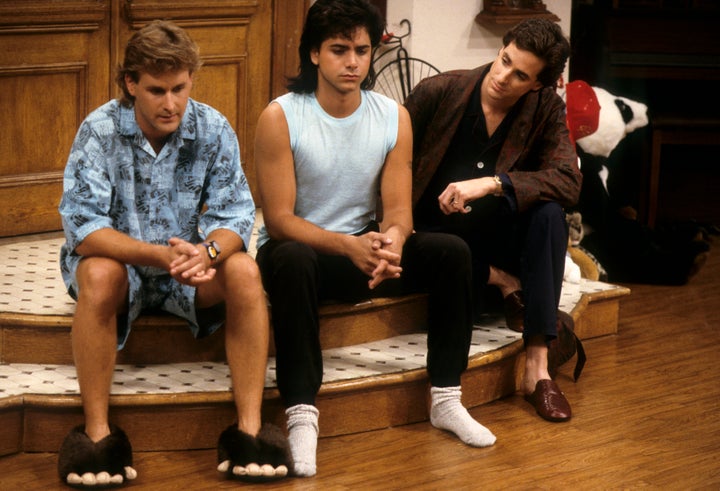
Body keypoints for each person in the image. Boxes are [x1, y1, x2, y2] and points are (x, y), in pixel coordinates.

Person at [254, 0, 496, 478]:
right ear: (314, 54)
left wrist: (393, 244)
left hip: (364, 253)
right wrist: (348, 245)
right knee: (293, 258)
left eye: (362, 50)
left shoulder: (392, 116)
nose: (353, 62)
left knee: (452, 253)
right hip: (303, 254)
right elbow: (279, 220)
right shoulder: (281, 117)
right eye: (339, 50)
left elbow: (400, 211)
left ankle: (446, 397)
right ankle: (302, 414)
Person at [57, 20, 289, 486]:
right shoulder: (99, 130)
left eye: (180, 89)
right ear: (130, 84)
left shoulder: (213, 126)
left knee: (244, 270)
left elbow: (238, 216)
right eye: (157, 90)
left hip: (194, 269)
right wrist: (157, 256)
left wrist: (207, 252)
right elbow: (83, 227)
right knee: (99, 274)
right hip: (125, 269)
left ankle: (248, 430)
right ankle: (98, 434)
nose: (171, 104)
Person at [404, 18, 583, 423]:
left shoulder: (545, 108)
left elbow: (568, 181)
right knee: (444, 249)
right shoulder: (440, 91)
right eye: (504, 60)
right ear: (502, 48)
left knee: (551, 213)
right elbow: (388, 162)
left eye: (520, 75)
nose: (502, 76)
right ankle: (502, 281)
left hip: (497, 233)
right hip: (434, 239)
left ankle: (537, 368)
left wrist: (491, 184)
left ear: (538, 84)